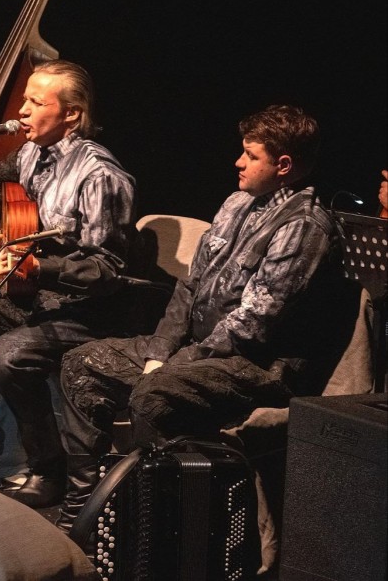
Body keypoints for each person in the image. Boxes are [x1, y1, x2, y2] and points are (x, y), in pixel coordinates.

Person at [56, 103, 353, 534]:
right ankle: (85, 509)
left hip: (259, 366)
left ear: (284, 165)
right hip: (202, 350)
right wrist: (160, 350)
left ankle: (153, 527)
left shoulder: (305, 227)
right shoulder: (237, 202)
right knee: (81, 364)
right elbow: (190, 286)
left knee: (155, 392)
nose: (238, 162)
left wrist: (173, 364)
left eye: (251, 155)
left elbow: (253, 324)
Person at [0, 59, 141, 509]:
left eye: (36, 102)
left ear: (71, 114)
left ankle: (49, 468)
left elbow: (107, 270)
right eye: (24, 99)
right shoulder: (30, 153)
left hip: (87, 311)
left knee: (10, 354)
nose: (21, 110)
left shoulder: (100, 175)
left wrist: (40, 267)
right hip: (37, 298)